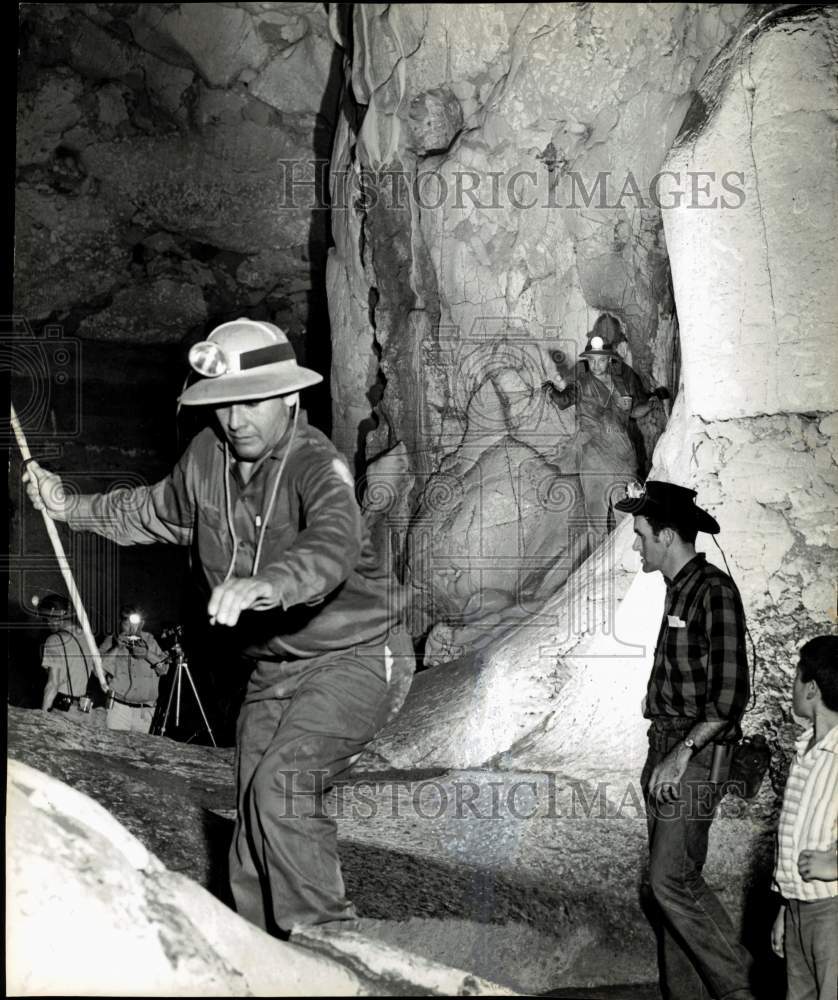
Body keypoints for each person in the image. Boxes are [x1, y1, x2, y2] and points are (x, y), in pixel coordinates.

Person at [23, 317, 414, 936]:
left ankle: (334, 947)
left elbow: (334, 540)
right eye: (223, 405)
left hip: (353, 656)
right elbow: (148, 511)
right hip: (270, 669)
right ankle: (259, 951)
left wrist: (274, 583)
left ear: (290, 397)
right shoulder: (206, 456)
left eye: (252, 402)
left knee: (283, 790)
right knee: (252, 821)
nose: (236, 420)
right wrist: (70, 506)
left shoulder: (318, 464)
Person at [615, 479, 755, 1000]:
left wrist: (683, 753)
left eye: (641, 533)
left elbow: (730, 695)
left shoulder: (712, 591)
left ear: (667, 534)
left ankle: (740, 987)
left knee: (672, 879)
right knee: (666, 887)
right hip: (667, 747)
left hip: (693, 753)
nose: (636, 544)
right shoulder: (679, 589)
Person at [542, 313, 669, 538]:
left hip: (623, 458)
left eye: (601, 360)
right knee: (597, 520)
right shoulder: (582, 384)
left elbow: (633, 411)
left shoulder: (622, 383)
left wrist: (650, 404)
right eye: (592, 360)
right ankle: (600, 567)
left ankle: (628, 564)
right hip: (595, 460)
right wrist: (551, 390)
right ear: (588, 361)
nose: (597, 365)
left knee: (628, 515)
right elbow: (563, 402)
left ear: (609, 359)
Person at [770, 635, 838, 1000]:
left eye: (796, 677)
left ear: (811, 688)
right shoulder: (805, 749)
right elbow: (795, 832)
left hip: (832, 911)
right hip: (799, 907)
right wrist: (785, 907)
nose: (792, 686)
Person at [99, 605, 168, 733]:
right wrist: (116, 648)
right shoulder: (111, 640)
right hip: (118, 708)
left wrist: (147, 654)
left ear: (142, 624)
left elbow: (164, 669)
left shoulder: (150, 641)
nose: (131, 628)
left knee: (142, 750)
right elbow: (98, 672)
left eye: (135, 623)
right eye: (126, 623)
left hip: (144, 711)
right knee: (116, 748)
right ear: (121, 623)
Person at [35, 592, 96, 716]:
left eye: (46, 618)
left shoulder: (54, 640)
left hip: (61, 710)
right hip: (82, 710)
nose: (47, 623)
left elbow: (53, 684)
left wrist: (43, 716)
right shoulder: (87, 637)